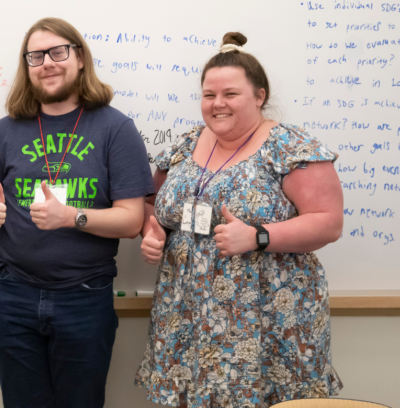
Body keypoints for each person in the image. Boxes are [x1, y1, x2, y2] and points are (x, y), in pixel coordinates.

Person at [135, 33, 344, 407]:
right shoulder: (184, 146)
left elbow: (328, 222)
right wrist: (152, 232)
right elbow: (155, 207)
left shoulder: (291, 148)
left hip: (266, 319)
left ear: (259, 96)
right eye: (209, 95)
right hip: (186, 314)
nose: (218, 104)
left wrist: (257, 236)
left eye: (230, 94)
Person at [0, 17, 154, 408]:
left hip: (84, 297)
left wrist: (71, 217)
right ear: (27, 66)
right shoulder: (6, 131)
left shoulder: (115, 128)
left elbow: (132, 219)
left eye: (58, 52)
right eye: (36, 56)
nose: (47, 62)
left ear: (81, 58)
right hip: (13, 295)